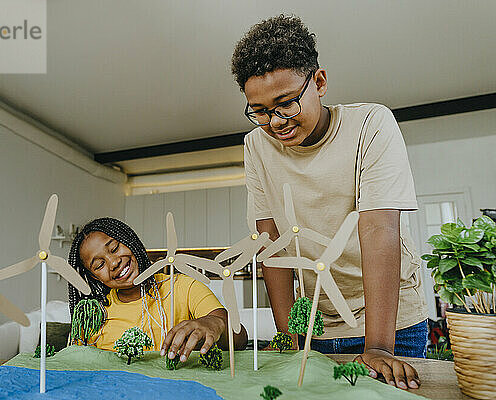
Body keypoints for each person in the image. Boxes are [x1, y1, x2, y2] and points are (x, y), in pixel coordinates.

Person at [231, 15, 427, 390]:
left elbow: (379, 228)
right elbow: (271, 243)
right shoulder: (256, 146)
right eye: (259, 110)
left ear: (318, 83)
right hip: (314, 325)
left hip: (390, 323)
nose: (275, 122)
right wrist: (289, 340)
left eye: (286, 103)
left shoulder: (371, 124)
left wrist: (380, 347)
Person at [67, 217, 247, 363]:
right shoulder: (94, 315)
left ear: (130, 240)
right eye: (99, 265)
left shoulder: (183, 287)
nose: (114, 262)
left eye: (114, 248)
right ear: (94, 278)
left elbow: (239, 338)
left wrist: (216, 324)